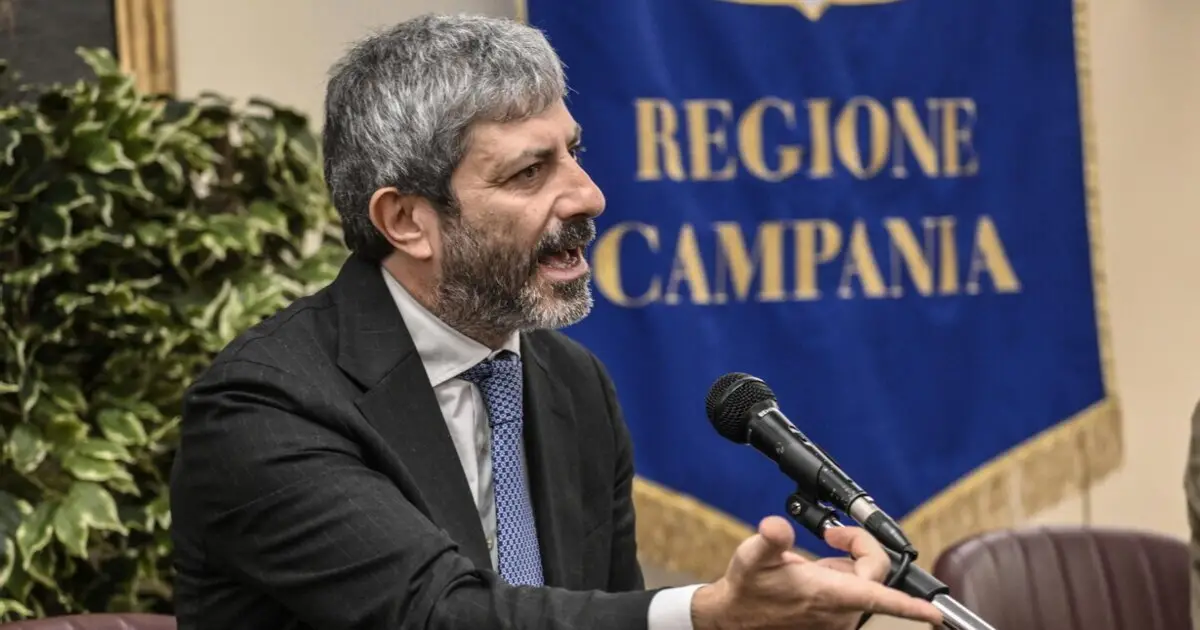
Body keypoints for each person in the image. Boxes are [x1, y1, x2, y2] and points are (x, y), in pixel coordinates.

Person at [168, 13, 943, 630]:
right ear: (406, 221)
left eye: (573, 152)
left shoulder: (571, 383)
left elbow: (600, 614)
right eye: (529, 172)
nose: (588, 195)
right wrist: (707, 614)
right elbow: (438, 614)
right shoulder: (265, 407)